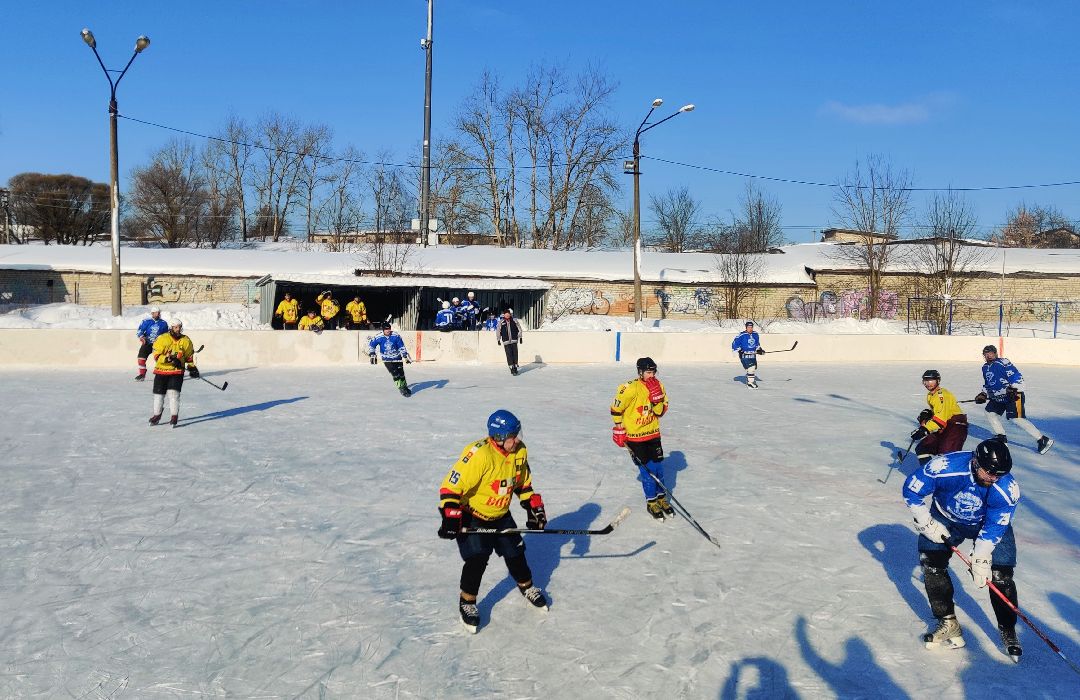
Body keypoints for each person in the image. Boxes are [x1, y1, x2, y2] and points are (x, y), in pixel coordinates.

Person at [902, 439, 1023, 661]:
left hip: (986, 524)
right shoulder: (944, 468)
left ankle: (1008, 628)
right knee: (932, 562)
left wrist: (982, 554)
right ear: (976, 462)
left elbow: (997, 524)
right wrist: (925, 521)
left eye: (999, 474)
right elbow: (912, 489)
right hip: (946, 517)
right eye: (989, 473)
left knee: (1001, 575)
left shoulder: (1007, 489)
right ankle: (948, 622)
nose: (994, 478)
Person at [437, 409, 549, 632]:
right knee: (477, 558)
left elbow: (523, 484)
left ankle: (527, 586)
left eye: (517, 434)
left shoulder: (520, 451)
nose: (516, 440)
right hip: (474, 515)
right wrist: (450, 516)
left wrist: (533, 507)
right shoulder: (478, 455)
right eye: (511, 436)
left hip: (501, 514)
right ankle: (467, 601)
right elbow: (450, 487)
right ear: (498, 437)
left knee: (516, 553)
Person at [610, 357, 673, 520]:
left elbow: (660, 412)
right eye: (648, 372)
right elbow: (616, 409)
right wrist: (619, 429)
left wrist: (656, 398)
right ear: (640, 372)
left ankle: (661, 498)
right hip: (635, 438)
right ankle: (651, 502)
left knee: (659, 469)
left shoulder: (659, 386)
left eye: (653, 372)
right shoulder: (629, 388)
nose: (651, 376)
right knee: (648, 471)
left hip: (653, 434)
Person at [975, 345, 1053, 454]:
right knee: (990, 412)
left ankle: (1043, 440)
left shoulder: (1003, 362)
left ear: (996, 353)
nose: (988, 356)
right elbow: (989, 383)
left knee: (1017, 419)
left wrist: (1014, 389)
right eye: (986, 354)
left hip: (1014, 395)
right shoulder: (985, 368)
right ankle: (1001, 437)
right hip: (998, 396)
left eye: (991, 353)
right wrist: (983, 393)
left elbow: (1017, 377)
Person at [910, 369, 969, 465]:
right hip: (946, 426)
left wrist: (924, 429)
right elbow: (940, 413)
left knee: (947, 457)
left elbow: (940, 420)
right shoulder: (930, 395)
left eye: (931, 381)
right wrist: (928, 414)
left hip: (955, 426)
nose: (928, 384)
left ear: (938, 381)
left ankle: (951, 477)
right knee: (923, 447)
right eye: (926, 381)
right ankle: (929, 474)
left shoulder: (941, 395)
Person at [149, 318, 199, 427]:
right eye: (176, 327)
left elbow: (189, 356)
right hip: (161, 371)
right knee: (158, 395)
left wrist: (192, 368)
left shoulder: (186, 340)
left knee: (174, 394)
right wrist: (168, 359)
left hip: (177, 372)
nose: (178, 329)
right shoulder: (162, 338)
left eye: (179, 327)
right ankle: (157, 414)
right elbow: (156, 356)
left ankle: (174, 416)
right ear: (171, 328)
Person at [368, 321, 413, 397]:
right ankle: (401, 388)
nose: (388, 330)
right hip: (387, 359)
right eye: (386, 329)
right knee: (395, 374)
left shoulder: (396, 336)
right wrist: (372, 354)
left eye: (389, 329)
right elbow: (372, 345)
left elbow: (401, 346)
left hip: (397, 357)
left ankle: (404, 386)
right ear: (383, 330)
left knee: (401, 373)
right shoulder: (379, 337)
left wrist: (405, 356)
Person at [135, 305, 169, 381]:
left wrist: (166, 342)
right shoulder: (146, 321)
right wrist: (142, 337)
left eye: (158, 313)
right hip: (147, 343)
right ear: (152, 313)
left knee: (160, 360)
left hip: (158, 345)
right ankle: (142, 374)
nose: (157, 314)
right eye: (156, 313)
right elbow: (139, 331)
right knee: (141, 358)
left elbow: (166, 334)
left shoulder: (164, 323)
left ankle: (163, 374)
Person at [731, 320, 765, 388]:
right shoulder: (741, 335)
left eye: (751, 327)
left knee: (752, 368)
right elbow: (734, 343)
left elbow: (757, 344)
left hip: (753, 355)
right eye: (749, 327)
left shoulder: (755, 334)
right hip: (744, 355)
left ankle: (749, 377)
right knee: (751, 368)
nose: (750, 328)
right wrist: (739, 350)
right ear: (746, 327)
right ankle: (750, 383)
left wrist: (760, 350)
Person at [495, 308, 524, 375]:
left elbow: (519, 329)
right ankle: (511, 367)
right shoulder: (501, 322)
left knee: (515, 354)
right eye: (506, 314)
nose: (507, 315)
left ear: (510, 314)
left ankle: (515, 367)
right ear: (504, 315)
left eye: (508, 314)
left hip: (514, 340)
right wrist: (498, 339)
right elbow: (498, 331)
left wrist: (520, 337)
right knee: (509, 354)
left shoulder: (514, 320)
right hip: (506, 341)